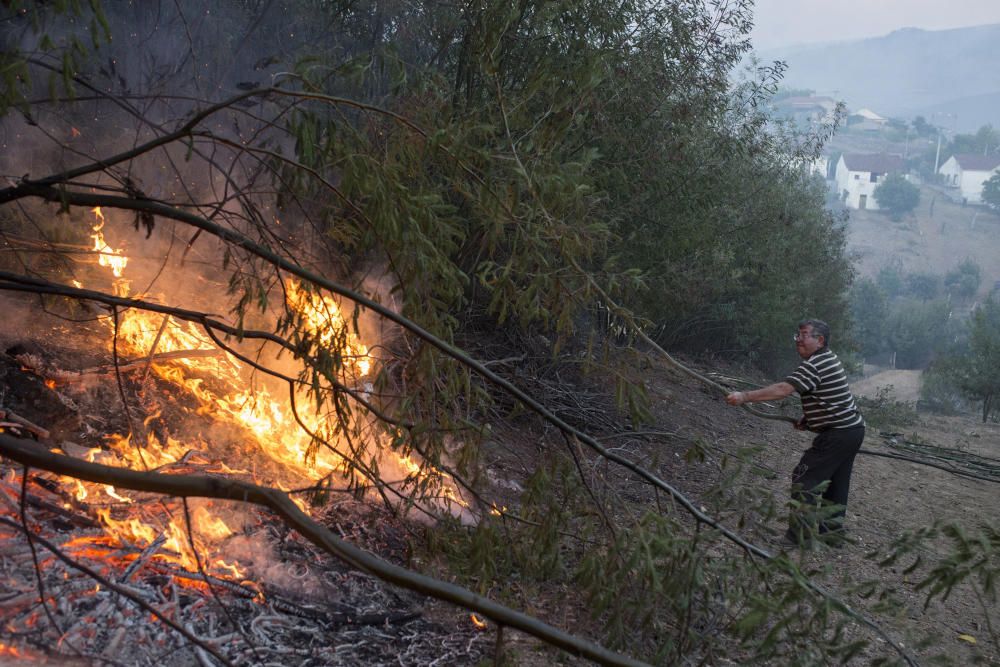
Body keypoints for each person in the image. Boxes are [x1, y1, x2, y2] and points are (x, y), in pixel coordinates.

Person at [725, 319, 865, 547]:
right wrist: (809, 420)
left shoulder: (816, 363)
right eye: (797, 335)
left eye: (804, 335)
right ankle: (832, 534)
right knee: (836, 483)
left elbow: (783, 390)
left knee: (804, 478)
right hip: (853, 430)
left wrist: (744, 396)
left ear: (819, 340)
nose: (798, 340)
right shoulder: (827, 358)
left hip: (838, 433)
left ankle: (799, 537)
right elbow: (828, 397)